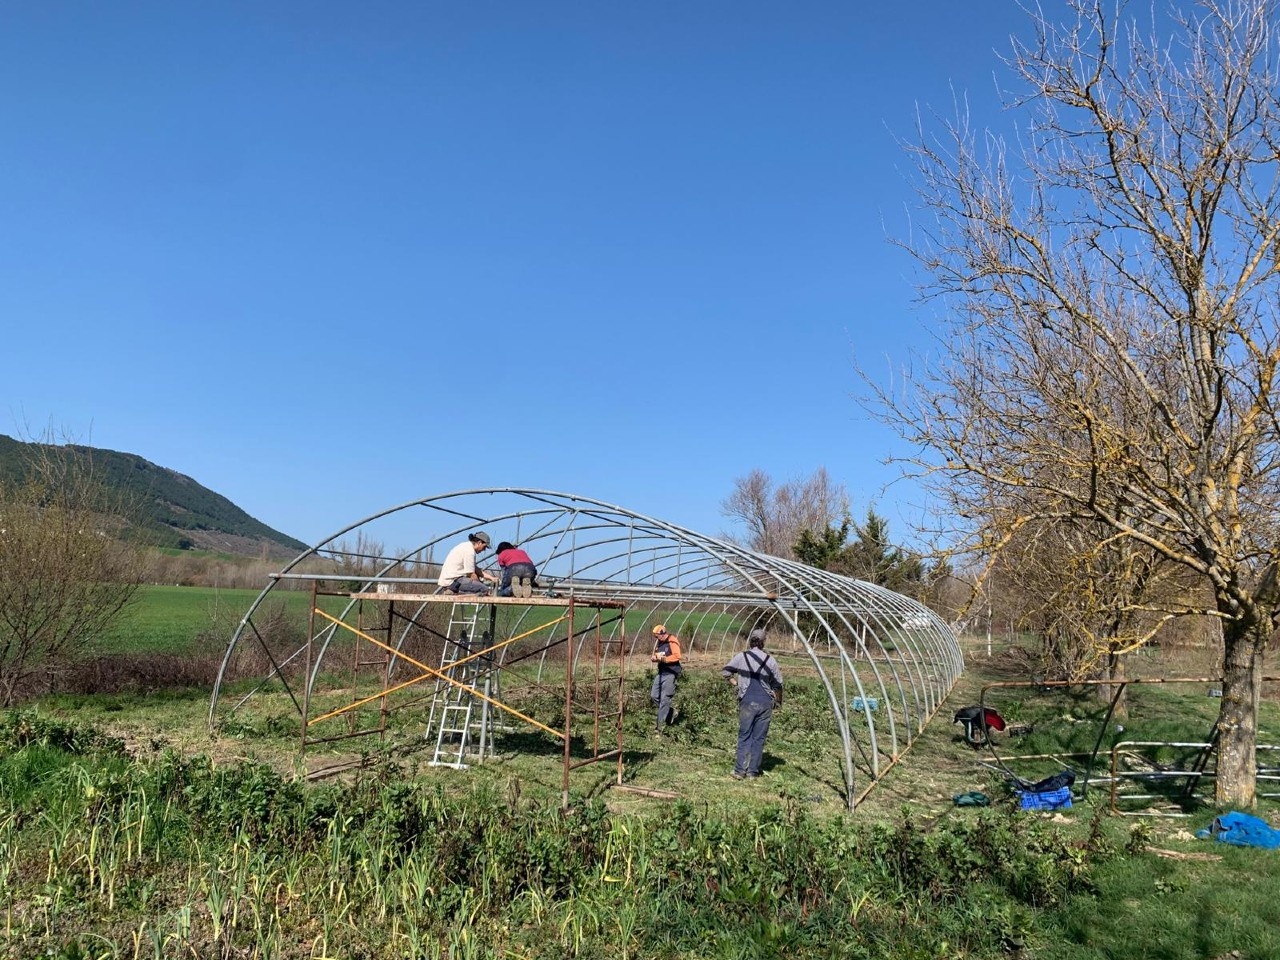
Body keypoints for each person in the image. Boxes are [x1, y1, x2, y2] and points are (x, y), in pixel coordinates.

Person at [721, 628, 783, 779]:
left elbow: (726, 672)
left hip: (747, 701)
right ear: (763, 643)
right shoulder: (770, 660)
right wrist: (779, 702)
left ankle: (739, 771)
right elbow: (778, 685)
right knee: (759, 738)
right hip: (765, 703)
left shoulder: (741, 657)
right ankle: (753, 772)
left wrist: (736, 684)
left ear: (751, 641)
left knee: (744, 735)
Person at [437, 531, 497, 595]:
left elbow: (476, 569)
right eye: (484, 547)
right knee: (484, 590)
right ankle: (453, 590)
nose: (484, 550)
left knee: (480, 588)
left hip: (452, 580)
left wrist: (491, 578)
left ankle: (454, 591)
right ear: (479, 543)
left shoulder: (466, 546)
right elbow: (471, 574)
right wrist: (480, 584)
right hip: (453, 581)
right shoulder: (469, 551)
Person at [649, 624, 682, 732]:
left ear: (662, 633)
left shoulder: (672, 641)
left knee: (665, 699)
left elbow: (677, 656)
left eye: (657, 636)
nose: (656, 638)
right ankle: (669, 711)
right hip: (661, 673)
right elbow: (659, 654)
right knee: (654, 695)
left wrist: (663, 659)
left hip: (670, 673)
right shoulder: (660, 642)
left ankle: (660, 726)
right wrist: (655, 658)